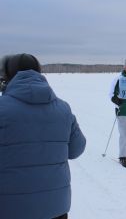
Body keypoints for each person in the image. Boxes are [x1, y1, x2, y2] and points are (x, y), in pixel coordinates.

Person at [0, 54, 86, 219]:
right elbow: (77, 149)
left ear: (7, 76)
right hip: (56, 208)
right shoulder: (63, 108)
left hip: (11, 209)